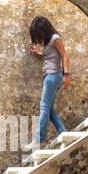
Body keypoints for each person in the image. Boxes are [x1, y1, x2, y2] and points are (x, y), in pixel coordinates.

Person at [22, 15, 70, 153]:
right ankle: (62, 131)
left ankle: (38, 139)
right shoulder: (49, 41)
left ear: (44, 29)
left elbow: (64, 56)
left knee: (44, 107)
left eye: (39, 33)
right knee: (49, 110)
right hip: (50, 77)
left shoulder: (55, 38)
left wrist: (66, 75)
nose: (39, 37)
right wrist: (39, 52)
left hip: (53, 76)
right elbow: (51, 56)